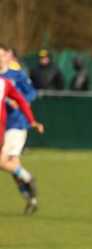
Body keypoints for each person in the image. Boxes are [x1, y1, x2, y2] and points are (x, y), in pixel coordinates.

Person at [0, 45, 45, 214]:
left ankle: (29, 183)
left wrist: (18, 102)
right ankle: (31, 198)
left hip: (16, 124)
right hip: (2, 126)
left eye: (2, 55)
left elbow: (31, 93)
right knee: (13, 166)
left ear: (8, 57)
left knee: (4, 160)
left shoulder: (16, 75)